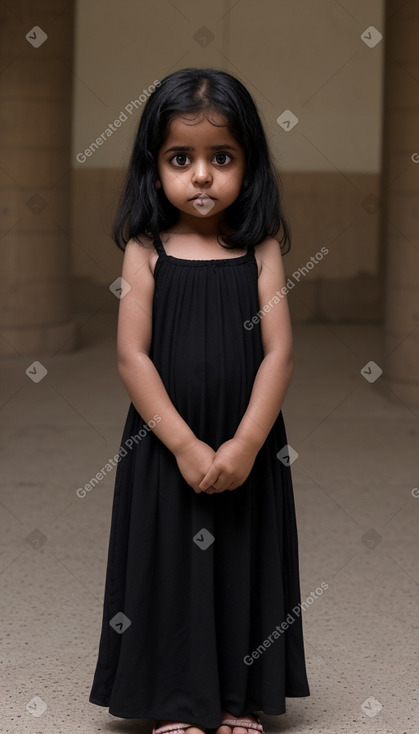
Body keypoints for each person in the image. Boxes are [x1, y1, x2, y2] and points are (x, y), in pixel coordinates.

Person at [89, 67, 310, 734]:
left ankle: (238, 698)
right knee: (171, 565)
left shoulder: (260, 247)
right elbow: (132, 356)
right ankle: (175, 701)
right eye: (180, 159)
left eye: (222, 158)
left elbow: (279, 352)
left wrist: (245, 442)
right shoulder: (145, 249)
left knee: (241, 560)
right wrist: (182, 443)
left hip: (245, 437)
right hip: (167, 441)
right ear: (153, 169)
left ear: (249, 163)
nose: (203, 176)